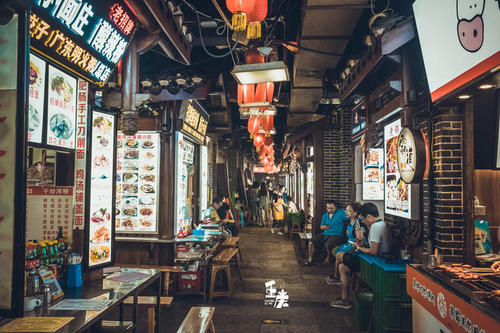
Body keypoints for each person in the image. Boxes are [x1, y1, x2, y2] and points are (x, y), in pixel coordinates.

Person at [330, 202, 392, 309]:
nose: (364, 222)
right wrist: (361, 242)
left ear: (369, 216)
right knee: (342, 267)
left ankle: (341, 288)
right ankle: (345, 300)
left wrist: (358, 247)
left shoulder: (376, 227)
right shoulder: (381, 224)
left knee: (340, 256)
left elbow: (373, 252)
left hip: (374, 264)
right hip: (372, 260)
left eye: (364, 219)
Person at [325, 202, 368, 285]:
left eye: (349, 211)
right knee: (336, 250)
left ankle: (337, 276)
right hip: (348, 244)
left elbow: (360, 240)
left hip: (355, 247)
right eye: (346, 210)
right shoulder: (349, 221)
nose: (346, 212)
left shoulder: (358, 223)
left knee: (338, 254)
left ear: (355, 213)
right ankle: (338, 274)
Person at [304, 201, 348, 265]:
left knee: (329, 244)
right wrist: (324, 227)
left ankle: (328, 258)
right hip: (325, 234)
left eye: (331, 208)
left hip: (337, 234)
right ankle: (310, 259)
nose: (329, 210)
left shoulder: (341, 212)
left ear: (336, 207)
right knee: (311, 242)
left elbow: (349, 218)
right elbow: (321, 226)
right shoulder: (325, 215)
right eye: (328, 208)